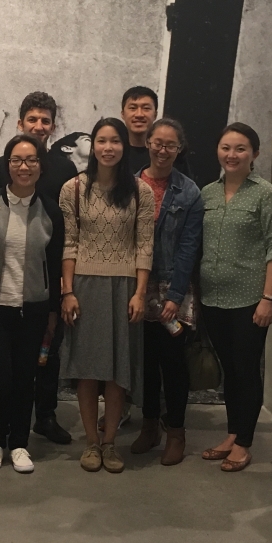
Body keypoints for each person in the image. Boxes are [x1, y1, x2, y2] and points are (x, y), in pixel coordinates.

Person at [59, 118, 155, 475]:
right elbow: (70, 243)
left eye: (115, 141)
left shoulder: (140, 191)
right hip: (83, 286)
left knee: (116, 372)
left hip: (124, 288)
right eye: (102, 140)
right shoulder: (73, 189)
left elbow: (145, 244)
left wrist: (140, 293)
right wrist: (67, 291)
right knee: (87, 371)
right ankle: (90, 442)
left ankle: (111, 441)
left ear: (124, 146)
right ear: (93, 146)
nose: (108, 147)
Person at [0, 91, 76, 445]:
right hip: (2, 285)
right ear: (20, 122)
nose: (39, 126)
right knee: (3, 367)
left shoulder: (66, 169)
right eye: (32, 119)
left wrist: (60, 293)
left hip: (43, 282)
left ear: (53, 127)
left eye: (45, 120)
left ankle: (45, 416)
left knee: (45, 357)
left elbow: (65, 234)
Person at [198, 122, 272, 473]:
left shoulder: (265, 194)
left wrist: (268, 297)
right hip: (212, 298)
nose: (231, 155)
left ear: (255, 154)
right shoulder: (207, 193)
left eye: (240, 149)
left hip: (250, 298)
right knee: (230, 370)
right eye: (225, 148)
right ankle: (233, 433)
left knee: (247, 369)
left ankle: (245, 442)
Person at [0, 135, 65, 474]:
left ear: (41, 167)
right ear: (7, 165)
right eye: (16, 160)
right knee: (0, 377)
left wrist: (53, 310)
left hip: (35, 308)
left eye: (30, 160)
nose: (23, 166)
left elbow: (55, 265)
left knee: (25, 377)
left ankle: (20, 444)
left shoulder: (51, 210)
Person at [129, 118, 203, 466]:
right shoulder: (131, 185)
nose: (162, 149)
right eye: (157, 142)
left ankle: (176, 431)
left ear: (179, 149)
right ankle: (148, 425)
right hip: (138, 287)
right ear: (147, 143)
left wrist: (175, 296)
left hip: (173, 287)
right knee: (144, 361)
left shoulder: (189, 192)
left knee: (173, 363)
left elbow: (190, 247)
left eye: (170, 145)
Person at [121, 86, 159, 172]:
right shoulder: (113, 151)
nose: (139, 114)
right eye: (133, 108)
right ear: (123, 114)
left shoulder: (164, 153)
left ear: (155, 114)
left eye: (146, 108)